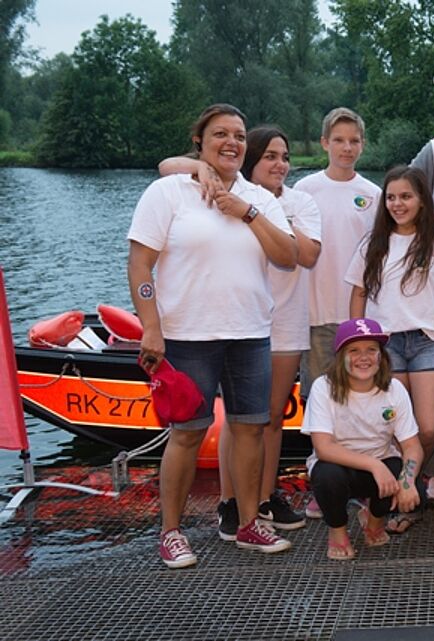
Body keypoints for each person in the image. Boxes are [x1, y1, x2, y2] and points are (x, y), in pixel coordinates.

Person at [128, 104, 299, 568]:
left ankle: (247, 524)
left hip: (249, 333)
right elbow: (140, 264)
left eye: (240, 136)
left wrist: (247, 213)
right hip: (186, 336)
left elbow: (288, 256)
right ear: (199, 143)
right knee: (186, 434)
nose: (232, 143)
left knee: (250, 429)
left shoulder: (260, 198)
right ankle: (171, 532)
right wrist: (151, 326)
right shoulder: (169, 193)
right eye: (220, 134)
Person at [160, 126, 323, 538]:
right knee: (237, 420)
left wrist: (265, 215)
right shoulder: (222, 189)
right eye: (270, 156)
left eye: (284, 157)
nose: (280, 164)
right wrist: (201, 167)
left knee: (265, 419)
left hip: (282, 320)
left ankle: (264, 499)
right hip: (235, 320)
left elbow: (302, 255)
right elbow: (167, 166)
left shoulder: (287, 201)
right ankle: (231, 505)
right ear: (251, 160)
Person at [346, 166, 434, 531]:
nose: (398, 204)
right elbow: (359, 291)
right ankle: (400, 500)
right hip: (385, 344)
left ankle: (410, 483)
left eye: (406, 196)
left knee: (426, 428)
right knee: (394, 429)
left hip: (427, 341)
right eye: (391, 197)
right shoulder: (372, 244)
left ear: (422, 201)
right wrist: (357, 340)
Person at [295, 108, 380, 519]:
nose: (347, 148)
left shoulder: (375, 194)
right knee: (320, 399)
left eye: (355, 141)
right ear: (325, 142)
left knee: (361, 400)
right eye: (339, 140)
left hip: (360, 316)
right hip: (315, 314)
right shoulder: (303, 190)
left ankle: (362, 482)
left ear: (362, 145)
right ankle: (323, 481)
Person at [301, 318, 424, 560]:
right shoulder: (323, 387)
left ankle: (374, 521)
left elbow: (412, 446)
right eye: (354, 350)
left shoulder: (394, 388)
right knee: (327, 476)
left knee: (412, 484)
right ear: (340, 356)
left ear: (381, 355)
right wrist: (373, 465)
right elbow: (323, 448)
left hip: (380, 464)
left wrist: (407, 481)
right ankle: (337, 532)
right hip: (339, 466)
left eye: (371, 350)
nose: (363, 357)